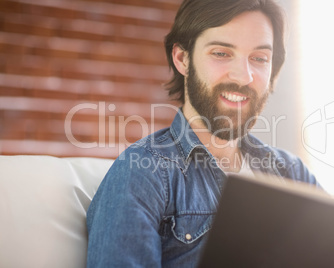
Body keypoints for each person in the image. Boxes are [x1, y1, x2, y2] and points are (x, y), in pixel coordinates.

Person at [86, 0, 321, 267]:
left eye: (259, 58)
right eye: (221, 53)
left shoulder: (292, 174)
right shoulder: (143, 173)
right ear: (182, 59)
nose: (244, 76)